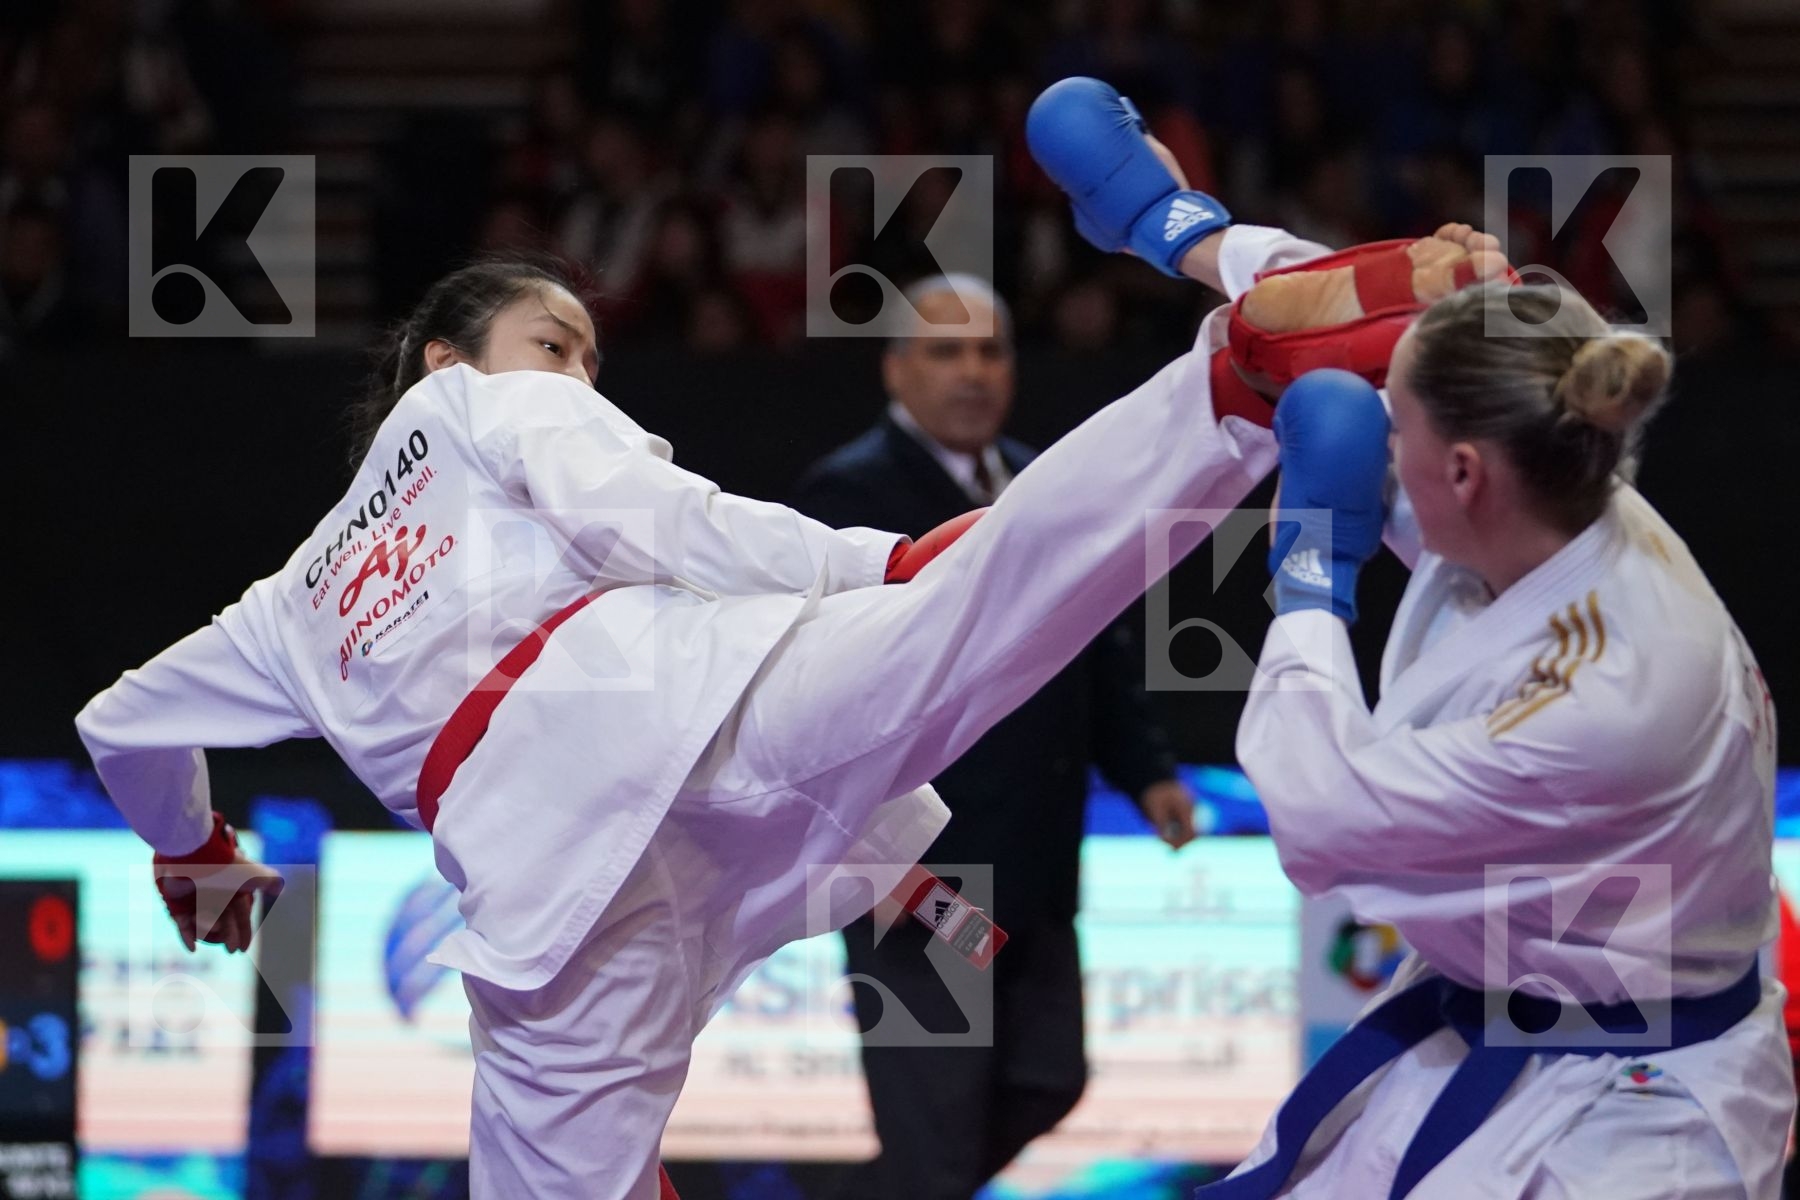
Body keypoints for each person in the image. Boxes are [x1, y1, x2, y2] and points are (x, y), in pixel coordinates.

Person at [74, 77, 1497, 1199]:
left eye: (588, 354)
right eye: (556, 343)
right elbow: (668, 518)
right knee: (976, 615)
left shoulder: (282, 607)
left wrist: (193, 852)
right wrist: (879, 563)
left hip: (551, 899)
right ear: (444, 360)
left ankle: (1238, 361)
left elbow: (122, 725)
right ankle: (1236, 371)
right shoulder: (478, 405)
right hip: (692, 722)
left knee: (974, 619)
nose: (580, 373)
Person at [1213, 285, 1791, 1198]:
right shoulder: (1563, 493)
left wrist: (1309, 580)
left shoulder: (1608, 698)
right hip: (1508, 1013)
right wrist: (1182, 235)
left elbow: (1321, 818)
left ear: (1465, 472)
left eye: (1397, 430)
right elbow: (1471, 387)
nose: (1383, 449)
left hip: (1631, 1111)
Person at [792, 273, 1194, 1199]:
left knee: (1051, 1078)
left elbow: (1097, 640)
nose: (971, 372)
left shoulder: (1040, 479)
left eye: (988, 351)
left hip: (1037, 863)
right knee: (935, 1131)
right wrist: (865, 852)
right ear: (896, 369)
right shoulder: (848, 492)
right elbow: (820, 690)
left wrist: (1149, 770)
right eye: (945, 352)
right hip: (921, 877)